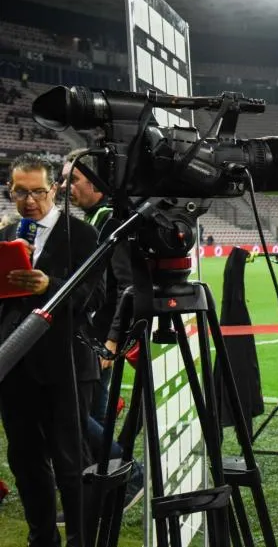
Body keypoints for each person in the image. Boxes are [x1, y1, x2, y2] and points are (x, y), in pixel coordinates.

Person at [0, 153, 101, 547]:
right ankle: (41, 538)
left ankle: (80, 540)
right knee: (25, 463)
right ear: (10, 190)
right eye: (20, 192)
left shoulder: (84, 235)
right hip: (15, 365)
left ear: (54, 190)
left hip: (66, 366)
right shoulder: (6, 237)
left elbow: (92, 299)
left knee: (71, 461)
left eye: (38, 192)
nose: (29, 201)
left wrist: (49, 285)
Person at [60, 149, 143, 514]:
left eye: (72, 180)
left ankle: (130, 477)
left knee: (77, 417)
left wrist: (110, 341)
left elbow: (125, 286)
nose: (64, 187)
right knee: (94, 416)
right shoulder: (96, 218)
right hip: (93, 337)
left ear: (95, 184)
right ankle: (104, 490)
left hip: (99, 341)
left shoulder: (108, 220)